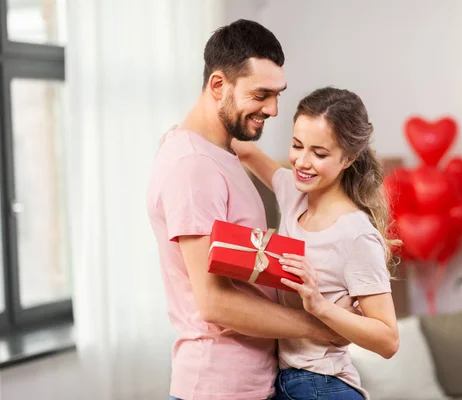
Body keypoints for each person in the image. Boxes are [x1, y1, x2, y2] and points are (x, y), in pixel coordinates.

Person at [147, 20, 352, 400]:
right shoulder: (193, 165)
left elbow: (241, 262)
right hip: (216, 387)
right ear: (218, 85)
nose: (273, 109)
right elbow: (215, 302)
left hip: (252, 383)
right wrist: (322, 325)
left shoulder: (219, 151)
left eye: (277, 94)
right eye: (261, 95)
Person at [231, 86, 400, 400]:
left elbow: (388, 340)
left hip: (324, 385)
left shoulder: (355, 234)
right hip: (289, 383)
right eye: (297, 145)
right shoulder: (295, 194)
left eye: (319, 153)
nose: (302, 162)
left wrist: (320, 307)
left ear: (348, 158)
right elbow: (247, 151)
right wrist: (186, 137)